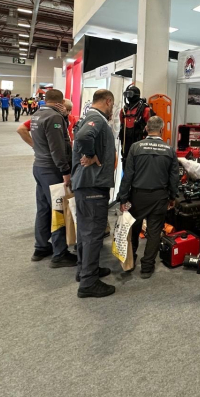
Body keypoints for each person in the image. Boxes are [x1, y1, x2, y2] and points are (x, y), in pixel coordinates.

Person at [117, 116, 179, 279]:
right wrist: (172, 196)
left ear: (146, 129)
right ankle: (147, 267)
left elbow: (127, 175)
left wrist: (123, 198)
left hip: (137, 196)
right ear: (162, 130)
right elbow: (174, 178)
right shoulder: (169, 150)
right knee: (154, 231)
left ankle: (131, 260)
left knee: (134, 229)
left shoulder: (135, 147)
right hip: (160, 196)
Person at [71, 89, 118, 298]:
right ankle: (88, 282)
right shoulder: (96, 117)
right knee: (92, 233)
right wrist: (91, 155)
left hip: (86, 184)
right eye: (112, 105)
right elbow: (83, 137)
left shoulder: (88, 116)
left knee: (85, 231)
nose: (112, 109)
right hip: (93, 185)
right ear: (108, 101)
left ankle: (85, 270)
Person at [30, 89, 77, 268]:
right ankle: (60, 253)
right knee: (58, 209)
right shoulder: (54, 117)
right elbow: (57, 148)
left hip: (39, 166)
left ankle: (41, 246)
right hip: (52, 170)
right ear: (61, 102)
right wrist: (65, 171)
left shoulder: (37, 114)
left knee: (43, 208)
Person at [118, 85, 153, 160]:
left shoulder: (145, 110)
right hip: (126, 145)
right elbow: (122, 124)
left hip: (140, 144)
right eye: (126, 94)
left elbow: (152, 130)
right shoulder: (123, 111)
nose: (128, 97)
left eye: (130, 94)